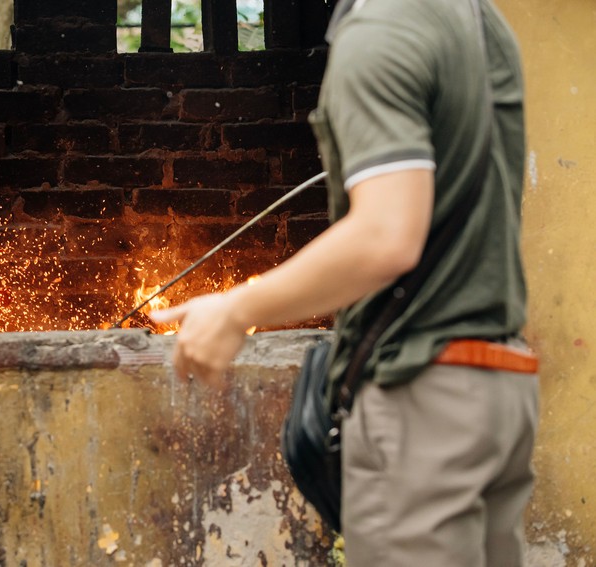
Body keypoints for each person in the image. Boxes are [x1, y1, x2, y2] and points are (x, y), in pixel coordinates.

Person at [151, 0, 539, 565]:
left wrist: (236, 309)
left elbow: (387, 235)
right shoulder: (479, 22)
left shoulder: (381, 30)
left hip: (423, 397)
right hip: (499, 383)